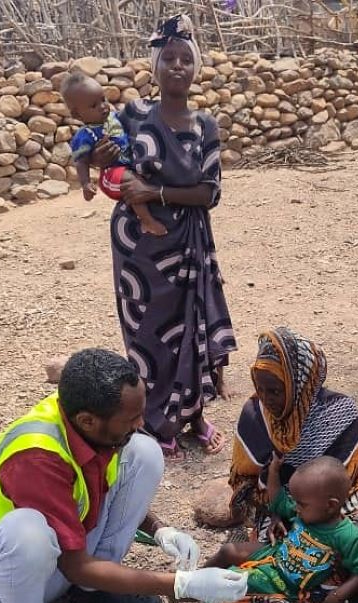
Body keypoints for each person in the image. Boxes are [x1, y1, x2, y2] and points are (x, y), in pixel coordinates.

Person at [0, 349, 248, 603]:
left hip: (55, 562)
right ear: (88, 420)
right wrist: (180, 584)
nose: (140, 423)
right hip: (2, 589)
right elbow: (75, 566)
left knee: (144, 453)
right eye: (131, 418)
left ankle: (91, 591)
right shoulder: (37, 456)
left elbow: (102, 490)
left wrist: (161, 530)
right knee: (26, 531)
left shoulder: (87, 421)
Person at [93, 14, 235, 458]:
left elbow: (209, 193)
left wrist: (154, 192)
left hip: (188, 242)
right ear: (155, 66)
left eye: (185, 59)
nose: (177, 66)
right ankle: (154, 421)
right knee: (147, 333)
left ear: (195, 68)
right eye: (168, 58)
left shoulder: (204, 126)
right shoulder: (132, 115)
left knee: (190, 328)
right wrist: (99, 160)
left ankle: (193, 416)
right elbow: (109, 166)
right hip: (137, 247)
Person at [213, 327, 358, 603]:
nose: (266, 398)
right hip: (284, 516)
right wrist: (274, 512)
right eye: (260, 388)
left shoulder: (339, 413)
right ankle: (333, 597)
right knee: (288, 558)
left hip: (339, 510)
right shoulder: (255, 414)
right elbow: (244, 482)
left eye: (275, 390)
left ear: (301, 384)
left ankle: (356, 598)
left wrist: (340, 523)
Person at [204, 455, 358, 603]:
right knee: (228, 551)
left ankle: (200, 590)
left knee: (239, 588)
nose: (295, 508)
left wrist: (339, 595)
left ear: (331, 505)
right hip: (273, 557)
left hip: (292, 587)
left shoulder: (348, 536)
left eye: (301, 504)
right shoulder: (307, 511)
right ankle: (195, 579)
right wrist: (274, 471)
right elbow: (278, 500)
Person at [61, 71, 166, 237]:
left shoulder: (115, 117)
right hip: (111, 174)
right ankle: (147, 220)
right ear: (77, 114)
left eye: (103, 100)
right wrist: (86, 184)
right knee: (133, 183)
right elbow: (81, 161)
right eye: (94, 105)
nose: (103, 106)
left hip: (128, 167)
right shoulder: (84, 135)